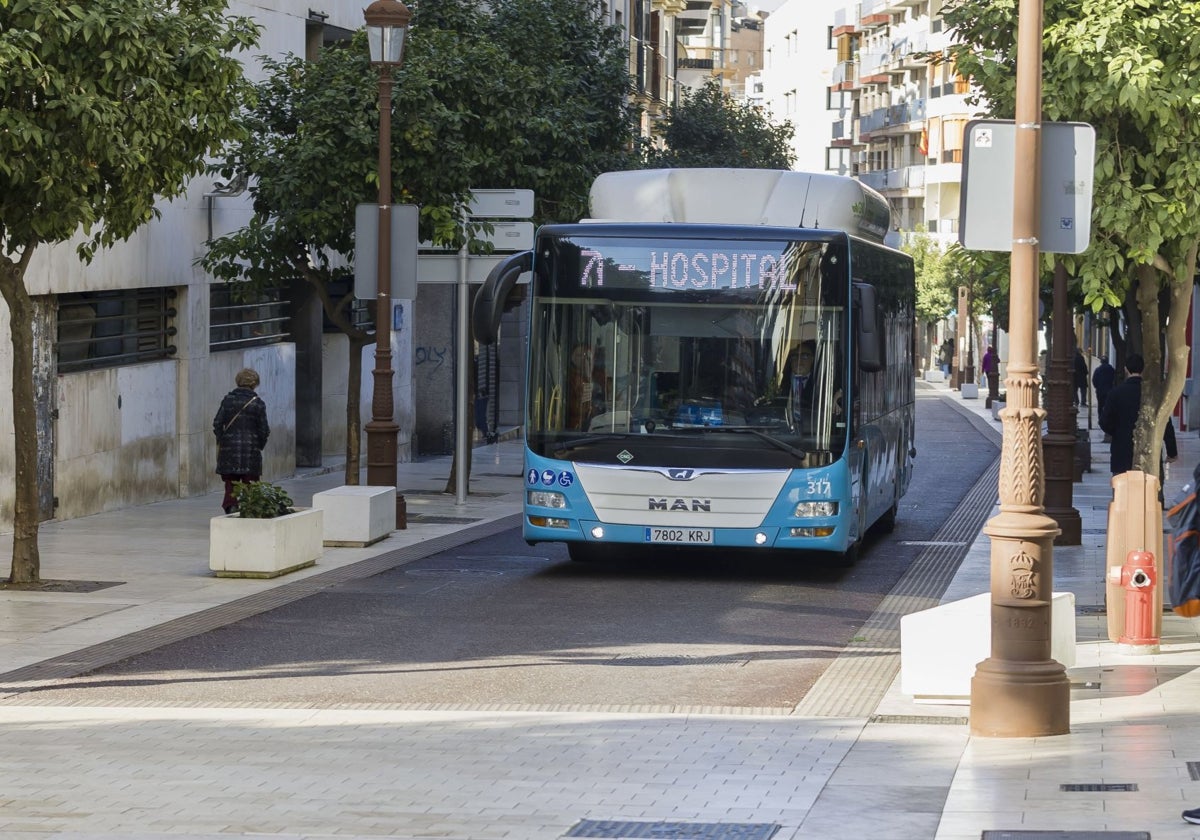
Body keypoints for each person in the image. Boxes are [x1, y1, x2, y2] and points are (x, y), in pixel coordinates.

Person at [1098, 354, 1177, 476]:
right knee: (1146, 490)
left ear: (1126, 369)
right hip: (1148, 452)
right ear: (1143, 369)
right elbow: (1165, 423)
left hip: (1122, 451)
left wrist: (1118, 432)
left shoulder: (1115, 393)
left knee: (1122, 489)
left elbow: (1104, 422)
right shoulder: (1153, 395)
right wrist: (1172, 452)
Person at [213, 368, 270, 514]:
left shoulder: (228, 400)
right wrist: (259, 445)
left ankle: (231, 504)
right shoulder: (258, 404)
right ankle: (250, 507)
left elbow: (217, 423)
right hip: (251, 450)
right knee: (250, 482)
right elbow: (264, 429)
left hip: (229, 449)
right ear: (255, 384)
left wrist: (222, 439)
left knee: (231, 483)